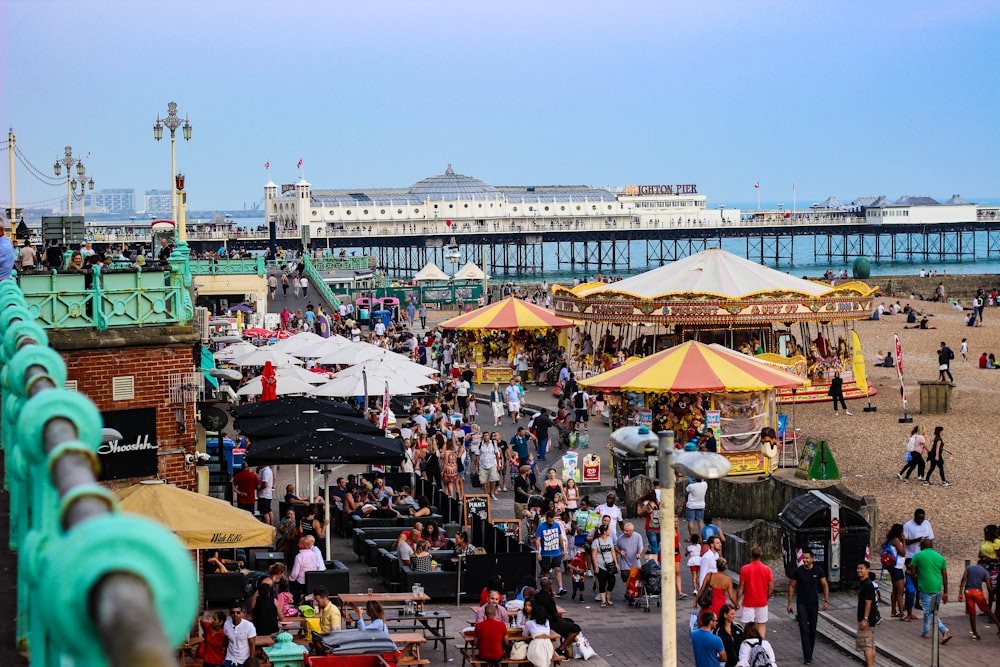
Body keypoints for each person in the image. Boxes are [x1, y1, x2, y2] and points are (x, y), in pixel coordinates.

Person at [787, 548, 829, 665]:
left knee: (812, 629)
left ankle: (810, 650)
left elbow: (825, 585)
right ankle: (807, 656)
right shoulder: (798, 572)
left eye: (807, 558)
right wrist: (789, 603)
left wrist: (826, 601)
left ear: (812, 559)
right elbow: (791, 587)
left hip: (813, 604)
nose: (805, 560)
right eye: (803, 558)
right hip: (801, 603)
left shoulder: (818, 570)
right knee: (803, 629)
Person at [911, 538, 952, 642]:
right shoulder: (940, 557)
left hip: (925, 586)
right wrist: (946, 590)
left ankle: (943, 629)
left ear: (922, 546)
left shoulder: (917, 556)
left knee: (929, 611)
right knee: (931, 610)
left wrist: (916, 585)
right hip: (937, 587)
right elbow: (945, 574)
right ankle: (926, 631)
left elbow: (912, 573)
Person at [534, 577, 580, 658]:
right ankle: (561, 649)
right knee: (576, 628)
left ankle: (567, 645)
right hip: (551, 623)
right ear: (548, 586)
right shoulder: (548, 598)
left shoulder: (537, 596)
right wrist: (563, 622)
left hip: (542, 620)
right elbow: (556, 615)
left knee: (570, 621)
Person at [736, 545, 774, 638]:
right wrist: (766, 597)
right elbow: (771, 587)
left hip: (748, 601)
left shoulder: (744, 569)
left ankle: (749, 642)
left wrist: (737, 601)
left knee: (748, 625)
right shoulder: (767, 569)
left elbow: (741, 587)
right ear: (761, 555)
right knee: (761, 624)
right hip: (762, 601)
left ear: (751, 555)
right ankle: (761, 643)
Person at [958, 558, 1000, 640]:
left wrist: (960, 592)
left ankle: (974, 634)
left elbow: (963, 579)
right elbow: (989, 586)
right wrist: (991, 595)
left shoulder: (969, 568)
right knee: (987, 610)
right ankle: (998, 625)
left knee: (972, 613)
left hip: (968, 592)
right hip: (978, 593)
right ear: (984, 564)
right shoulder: (985, 572)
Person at [535, 511, 567, 595]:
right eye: (549, 521)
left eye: (552, 521)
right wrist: (538, 552)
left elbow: (560, 537)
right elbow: (537, 540)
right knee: (546, 573)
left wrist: (563, 549)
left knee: (558, 569)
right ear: (546, 519)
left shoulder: (556, 525)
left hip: (556, 552)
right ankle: (548, 589)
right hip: (545, 553)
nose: (551, 523)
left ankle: (560, 588)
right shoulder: (541, 527)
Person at [616, 522, 644, 604]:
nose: (625, 532)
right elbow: (616, 546)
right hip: (625, 563)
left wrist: (639, 553)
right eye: (624, 530)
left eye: (627, 531)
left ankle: (630, 594)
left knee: (634, 579)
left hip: (635, 562)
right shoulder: (620, 538)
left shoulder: (637, 536)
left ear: (632, 531)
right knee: (627, 579)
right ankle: (629, 593)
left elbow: (640, 547)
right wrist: (620, 551)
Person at [592, 524, 619, 607]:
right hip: (601, 565)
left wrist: (616, 563)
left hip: (610, 564)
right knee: (602, 583)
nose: (610, 531)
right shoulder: (596, 542)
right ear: (604, 532)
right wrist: (596, 566)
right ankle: (603, 600)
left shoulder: (610, 540)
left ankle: (608, 596)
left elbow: (613, 551)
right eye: (608, 530)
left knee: (612, 582)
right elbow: (594, 554)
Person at [521, 599, 555, 667]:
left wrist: (533, 635)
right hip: (548, 645)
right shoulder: (546, 622)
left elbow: (524, 635)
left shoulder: (529, 623)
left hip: (537, 645)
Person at [223, 602, 256, 667]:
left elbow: (252, 645)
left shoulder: (249, 626)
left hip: (243, 661)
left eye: (238, 612)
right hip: (229, 659)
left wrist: (251, 661)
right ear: (230, 614)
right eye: (233, 612)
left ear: (241, 613)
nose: (235, 614)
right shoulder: (226, 624)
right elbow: (226, 641)